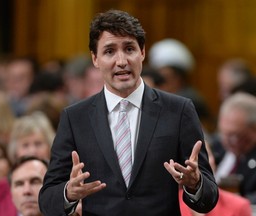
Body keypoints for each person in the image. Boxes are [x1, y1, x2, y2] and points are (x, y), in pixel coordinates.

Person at [39, 9, 218, 216]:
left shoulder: (179, 110)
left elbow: (209, 199)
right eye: (109, 51)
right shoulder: (75, 117)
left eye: (129, 49)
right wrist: (69, 193)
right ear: (95, 58)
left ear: (142, 52)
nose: (122, 61)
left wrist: (195, 183)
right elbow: (47, 200)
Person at [180, 142, 252, 216]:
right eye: (190, 157)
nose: (196, 163)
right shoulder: (170, 204)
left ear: (214, 160)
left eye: (204, 156)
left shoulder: (239, 205)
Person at [214, 92, 256, 203]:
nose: (230, 141)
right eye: (225, 134)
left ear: (254, 129)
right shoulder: (216, 148)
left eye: (236, 135)